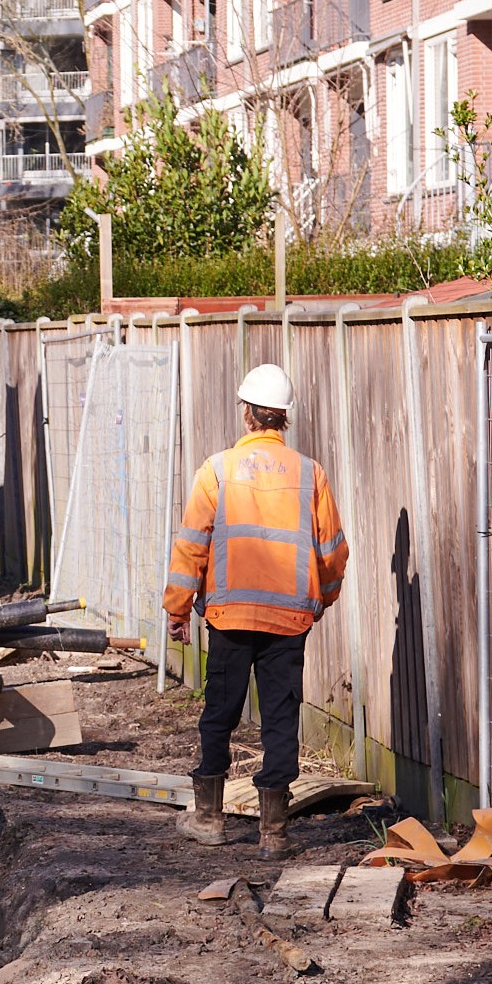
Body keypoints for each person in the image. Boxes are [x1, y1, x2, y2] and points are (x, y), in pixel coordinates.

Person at [161, 362, 348, 844]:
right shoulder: (311, 473)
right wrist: (323, 599)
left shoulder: (217, 470)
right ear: (283, 418)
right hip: (289, 619)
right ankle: (274, 831)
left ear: (246, 414)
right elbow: (332, 551)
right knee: (281, 716)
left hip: (228, 617)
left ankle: (209, 819)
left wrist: (178, 610)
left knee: (220, 712)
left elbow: (190, 546)